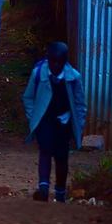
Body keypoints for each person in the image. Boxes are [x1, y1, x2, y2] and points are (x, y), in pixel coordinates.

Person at [22, 42, 87, 203]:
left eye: (60, 62)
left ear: (65, 61)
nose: (56, 65)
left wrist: (77, 124)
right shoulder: (38, 73)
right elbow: (28, 97)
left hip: (63, 122)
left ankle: (60, 192)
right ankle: (43, 188)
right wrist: (33, 118)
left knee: (61, 156)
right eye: (53, 62)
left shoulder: (73, 77)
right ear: (48, 60)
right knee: (45, 149)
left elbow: (80, 104)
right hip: (44, 120)